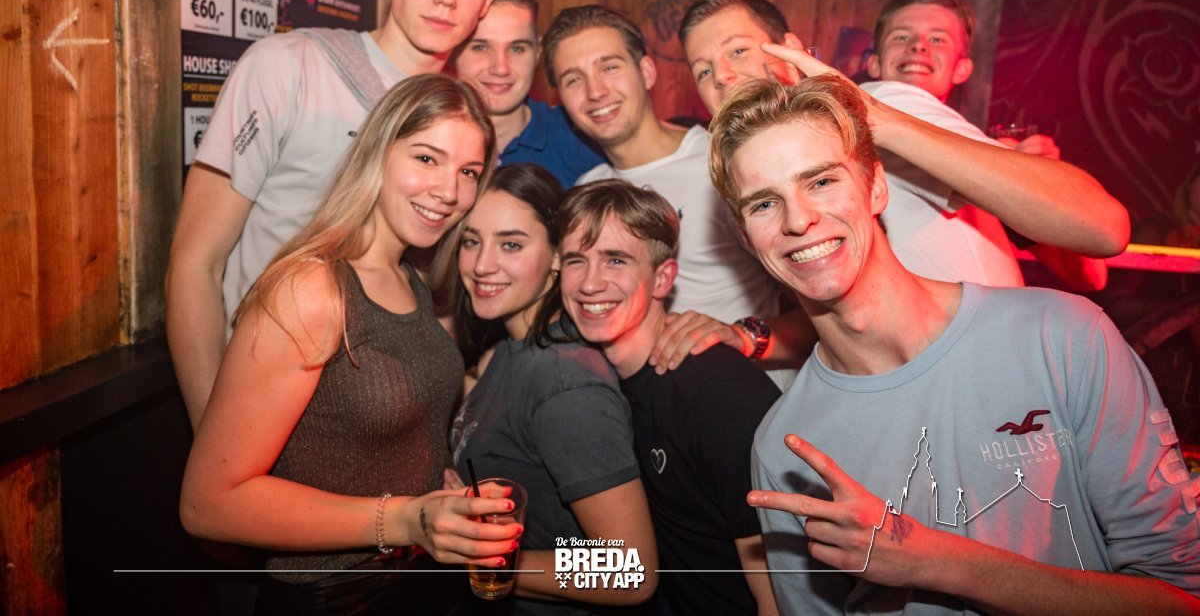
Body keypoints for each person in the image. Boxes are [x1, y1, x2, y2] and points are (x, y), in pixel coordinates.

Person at [705, 75, 1200, 615]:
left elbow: (1180, 599)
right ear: (745, 236)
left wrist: (936, 563)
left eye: (821, 181)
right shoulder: (784, 447)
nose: (799, 219)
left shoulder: (1060, 337)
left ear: (876, 186)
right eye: (763, 204)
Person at [167, 0, 507, 429]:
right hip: (261, 404)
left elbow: (434, 290)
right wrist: (216, 435)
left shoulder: (463, 128)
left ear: (486, 1)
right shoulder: (290, 66)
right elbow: (195, 263)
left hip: (380, 420)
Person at [180, 76, 519, 616]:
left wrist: (431, 482)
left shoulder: (409, 278)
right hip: (333, 598)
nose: (449, 191)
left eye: (468, 172)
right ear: (378, 153)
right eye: (427, 159)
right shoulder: (312, 290)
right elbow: (208, 505)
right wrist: (404, 518)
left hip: (415, 587)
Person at [678, 0, 1128, 293]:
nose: (722, 75)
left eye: (738, 50)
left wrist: (876, 117)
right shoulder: (749, 180)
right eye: (703, 69)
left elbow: (1102, 229)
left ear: (791, 47)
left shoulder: (881, 102)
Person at [543, 4, 814, 373]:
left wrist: (742, 337)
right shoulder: (588, 190)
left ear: (646, 71)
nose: (596, 92)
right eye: (574, 79)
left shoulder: (722, 165)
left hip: (742, 394)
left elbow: (821, 312)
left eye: (609, 67)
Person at [438, 163, 657, 614]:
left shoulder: (566, 385)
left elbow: (629, 571)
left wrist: (487, 559)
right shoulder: (509, 349)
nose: (482, 265)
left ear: (557, 256)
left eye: (511, 244)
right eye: (472, 241)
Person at [556, 179, 781, 616]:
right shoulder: (595, 383)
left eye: (615, 260)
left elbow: (778, 596)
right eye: (575, 261)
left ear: (663, 278)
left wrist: (514, 569)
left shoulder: (717, 395)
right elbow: (630, 563)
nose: (590, 283)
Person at [866, 0, 1109, 291]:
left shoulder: (976, 156)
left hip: (1001, 319)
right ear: (874, 64)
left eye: (937, 39)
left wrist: (1042, 181)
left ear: (961, 69)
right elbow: (1105, 238)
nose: (918, 46)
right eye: (901, 37)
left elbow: (1088, 276)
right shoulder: (866, 127)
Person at [451, 0, 604, 188]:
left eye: (517, 48)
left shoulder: (580, 140)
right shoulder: (428, 137)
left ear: (538, 53)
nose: (501, 68)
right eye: (481, 47)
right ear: (453, 50)